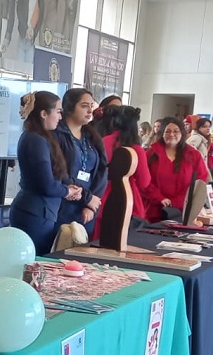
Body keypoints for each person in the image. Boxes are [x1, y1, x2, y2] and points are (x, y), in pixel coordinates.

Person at [9, 91, 83, 255]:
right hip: (34, 213)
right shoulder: (36, 139)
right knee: (32, 265)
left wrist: (67, 187)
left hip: (38, 211)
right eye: (57, 111)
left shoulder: (37, 137)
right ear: (43, 113)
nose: (60, 117)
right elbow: (47, 185)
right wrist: (68, 191)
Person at [52, 88, 108, 236]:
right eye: (84, 106)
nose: (90, 110)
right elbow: (58, 171)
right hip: (63, 205)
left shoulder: (91, 135)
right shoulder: (57, 134)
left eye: (91, 105)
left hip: (86, 209)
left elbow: (102, 171)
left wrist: (91, 204)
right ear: (69, 107)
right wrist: (86, 198)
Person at [93, 105, 152, 238]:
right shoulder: (136, 149)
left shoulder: (103, 141)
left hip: (103, 196)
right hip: (127, 197)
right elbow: (144, 182)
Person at [143, 118, 210, 222]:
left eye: (176, 131)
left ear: (182, 133)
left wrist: (178, 201)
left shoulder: (193, 155)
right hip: (153, 211)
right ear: (162, 133)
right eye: (167, 131)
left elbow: (201, 180)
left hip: (183, 212)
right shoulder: (150, 154)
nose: (171, 134)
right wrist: (159, 198)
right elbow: (143, 181)